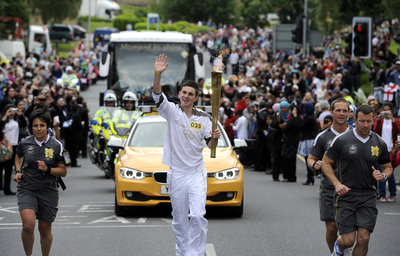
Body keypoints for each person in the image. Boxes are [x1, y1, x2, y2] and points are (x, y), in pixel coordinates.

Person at [152, 54, 221, 256]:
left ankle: (196, 253)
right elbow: (157, 95)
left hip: (196, 173)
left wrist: (214, 137)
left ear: (196, 97)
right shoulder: (171, 112)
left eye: (191, 94)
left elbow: (210, 144)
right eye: (184, 92)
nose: (186, 96)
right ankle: (182, 252)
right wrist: (157, 74)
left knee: (198, 215)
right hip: (177, 174)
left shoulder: (205, 117)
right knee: (180, 219)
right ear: (179, 93)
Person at [322, 104, 393, 256]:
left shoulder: (380, 143)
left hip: (368, 196)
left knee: (363, 238)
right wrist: (337, 184)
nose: (365, 125)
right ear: (354, 120)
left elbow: (388, 166)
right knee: (347, 241)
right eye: (362, 121)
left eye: (369, 121)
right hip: (346, 196)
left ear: (374, 120)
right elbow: (326, 163)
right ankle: (338, 250)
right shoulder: (341, 140)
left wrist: (383, 176)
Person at [13, 109, 67, 256]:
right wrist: (18, 171)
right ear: (32, 127)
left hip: (48, 190)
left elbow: (63, 170)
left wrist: (48, 169)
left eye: (42, 125)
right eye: (35, 125)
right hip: (27, 189)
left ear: (47, 127)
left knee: (44, 229)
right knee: (28, 225)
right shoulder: (24, 142)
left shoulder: (57, 145)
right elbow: (18, 157)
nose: (38, 129)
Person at [306, 98, 350, 253]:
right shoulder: (323, 136)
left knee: (348, 230)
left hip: (352, 188)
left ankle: (342, 247)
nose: (342, 114)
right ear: (331, 113)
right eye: (338, 110)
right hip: (329, 188)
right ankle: (335, 252)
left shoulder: (356, 134)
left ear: (350, 113)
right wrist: (315, 164)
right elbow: (311, 159)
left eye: (345, 111)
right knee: (332, 228)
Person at [372, 102, 399, 202]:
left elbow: (398, 131)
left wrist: (393, 120)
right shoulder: (380, 120)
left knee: (390, 172)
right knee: (380, 172)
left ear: (392, 111)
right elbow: (375, 131)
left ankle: (392, 194)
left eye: (388, 110)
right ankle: (382, 194)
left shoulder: (395, 121)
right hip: (381, 150)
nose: (386, 112)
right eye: (385, 109)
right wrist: (378, 119)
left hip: (392, 150)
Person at [0, 104, 19, 195]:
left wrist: (20, 114)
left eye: (13, 111)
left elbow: (25, 124)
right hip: (4, 146)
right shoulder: (3, 120)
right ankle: (1, 186)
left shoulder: (17, 120)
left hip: (14, 146)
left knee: (9, 169)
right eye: (10, 111)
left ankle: (7, 189)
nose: (12, 113)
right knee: (0, 168)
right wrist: (5, 116)